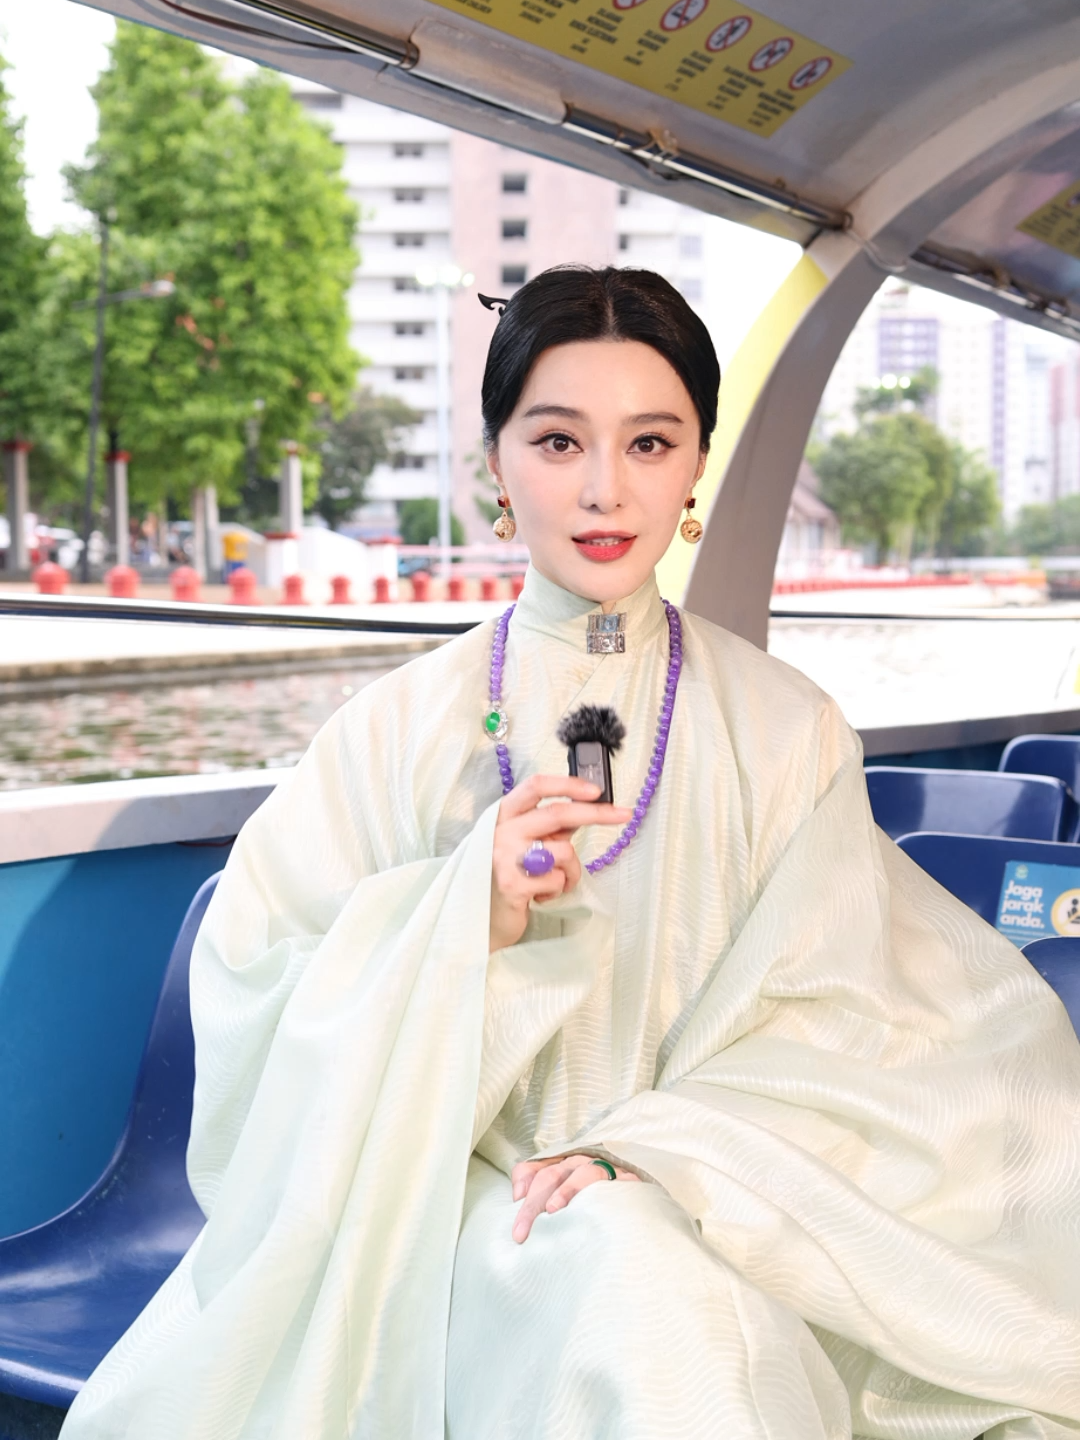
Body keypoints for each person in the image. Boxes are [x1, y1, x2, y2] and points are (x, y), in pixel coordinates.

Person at [61, 267, 1080, 1440]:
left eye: (650, 442)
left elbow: (850, 1020)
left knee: (651, 1287)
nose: (605, 489)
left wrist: (664, 1155)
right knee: (634, 1298)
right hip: (441, 1215)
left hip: (710, 1205)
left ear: (698, 462)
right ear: (495, 462)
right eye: (557, 441)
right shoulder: (391, 734)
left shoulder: (787, 731)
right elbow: (258, 1001)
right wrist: (461, 915)